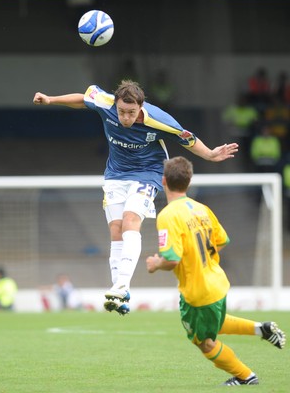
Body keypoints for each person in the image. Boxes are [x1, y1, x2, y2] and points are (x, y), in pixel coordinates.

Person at [33, 79, 238, 316]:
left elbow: (187, 137)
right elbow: (82, 98)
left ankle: (121, 286)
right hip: (115, 175)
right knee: (116, 229)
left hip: (147, 173)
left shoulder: (158, 119)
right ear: (116, 104)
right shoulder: (104, 102)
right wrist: (50, 99)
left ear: (141, 107)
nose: (125, 117)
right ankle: (119, 292)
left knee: (131, 220)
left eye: (131, 113)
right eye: (121, 112)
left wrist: (211, 154)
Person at [146, 156, 286, 386]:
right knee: (216, 324)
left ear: (163, 181)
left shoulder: (168, 216)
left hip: (198, 290)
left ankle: (245, 376)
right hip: (217, 281)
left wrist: (154, 264)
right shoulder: (201, 209)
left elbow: (171, 259)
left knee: (205, 342)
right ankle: (262, 329)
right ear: (189, 182)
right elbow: (222, 240)